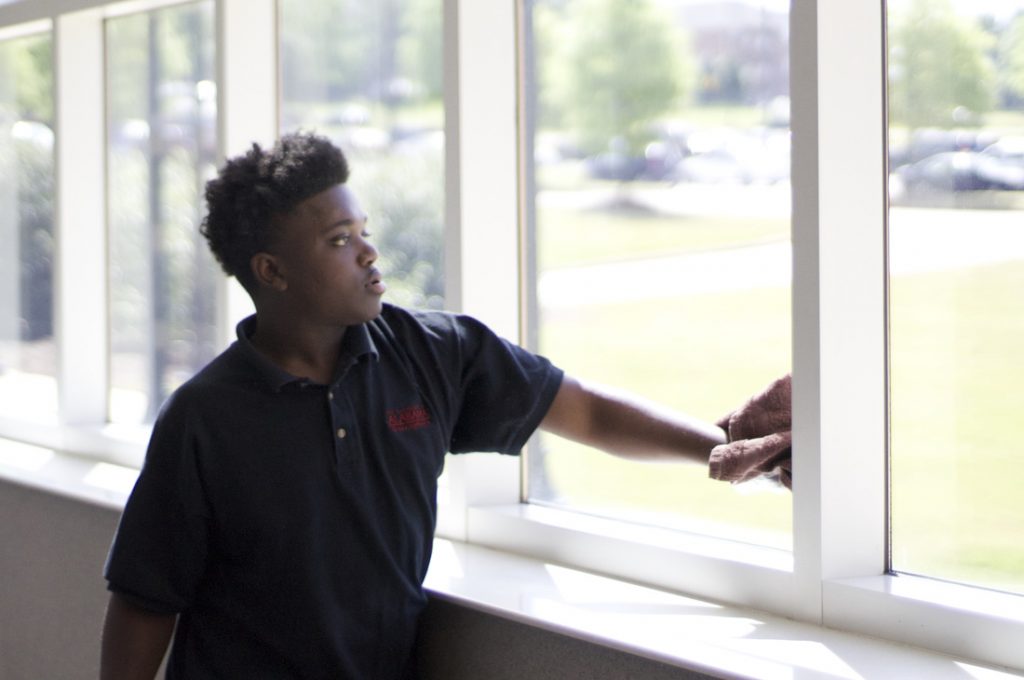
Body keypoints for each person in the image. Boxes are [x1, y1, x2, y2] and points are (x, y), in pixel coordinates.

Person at [100, 132, 785, 680]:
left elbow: (583, 411)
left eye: (363, 229)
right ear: (271, 272)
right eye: (339, 241)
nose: (368, 252)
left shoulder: (434, 352)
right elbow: (146, 599)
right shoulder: (205, 418)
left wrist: (716, 448)